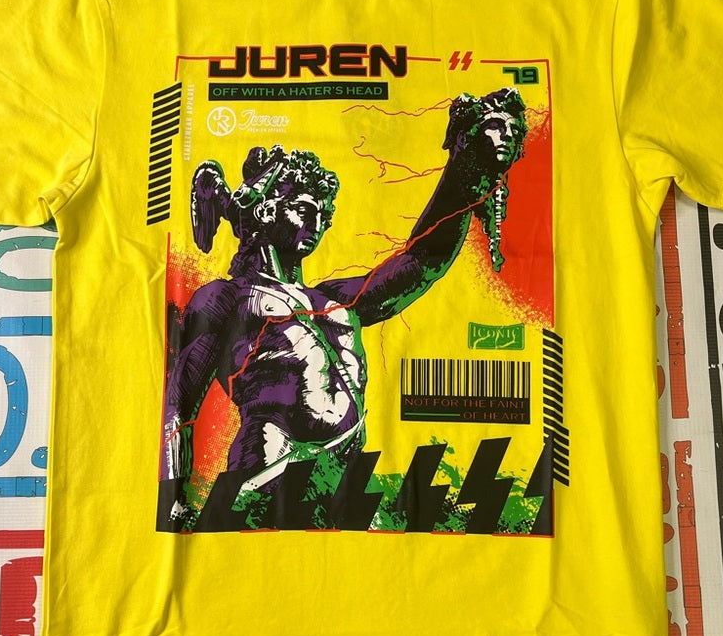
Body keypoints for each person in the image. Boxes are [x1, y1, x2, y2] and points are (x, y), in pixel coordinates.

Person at [160, 87, 528, 527]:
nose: (317, 223)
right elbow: (178, 406)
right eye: (304, 209)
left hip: (343, 485)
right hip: (266, 481)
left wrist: (465, 171)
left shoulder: (335, 300)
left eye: (323, 214)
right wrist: (171, 500)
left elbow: (422, 262)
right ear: (267, 210)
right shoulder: (227, 298)